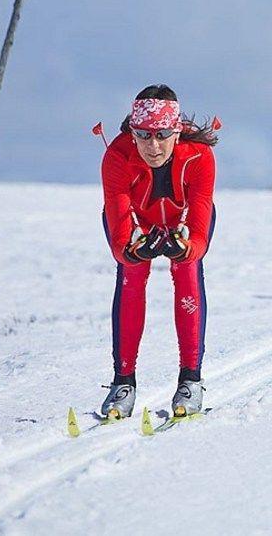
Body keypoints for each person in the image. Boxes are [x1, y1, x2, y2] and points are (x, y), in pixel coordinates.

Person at [99, 84, 218, 419]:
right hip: (139, 223)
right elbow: (120, 237)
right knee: (131, 277)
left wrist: (186, 249)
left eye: (162, 134)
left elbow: (198, 228)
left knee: (187, 271)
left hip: (182, 222)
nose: (153, 146)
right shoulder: (118, 156)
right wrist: (132, 252)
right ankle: (123, 381)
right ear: (133, 133)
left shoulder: (199, 155)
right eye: (143, 135)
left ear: (176, 132)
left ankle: (190, 379)